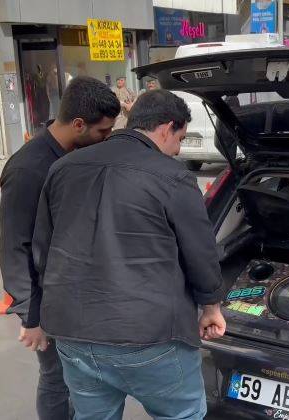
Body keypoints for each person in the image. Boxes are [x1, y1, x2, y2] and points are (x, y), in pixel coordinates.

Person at [32, 89, 228, 420]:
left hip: (73, 333)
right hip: (150, 336)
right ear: (167, 128)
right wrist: (211, 307)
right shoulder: (173, 177)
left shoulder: (63, 168)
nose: (178, 149)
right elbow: (200, 251)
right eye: (179, 138)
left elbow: (43, 249)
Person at [0, 76, 120, 420]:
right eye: (102, 132)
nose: (106, 138)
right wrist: (30, 315)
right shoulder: (29, 169)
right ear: (78, 124)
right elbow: (14, 248)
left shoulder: (75, 156)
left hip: (76, 295)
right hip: (47, 303)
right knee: (56, 380)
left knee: (83, 379)